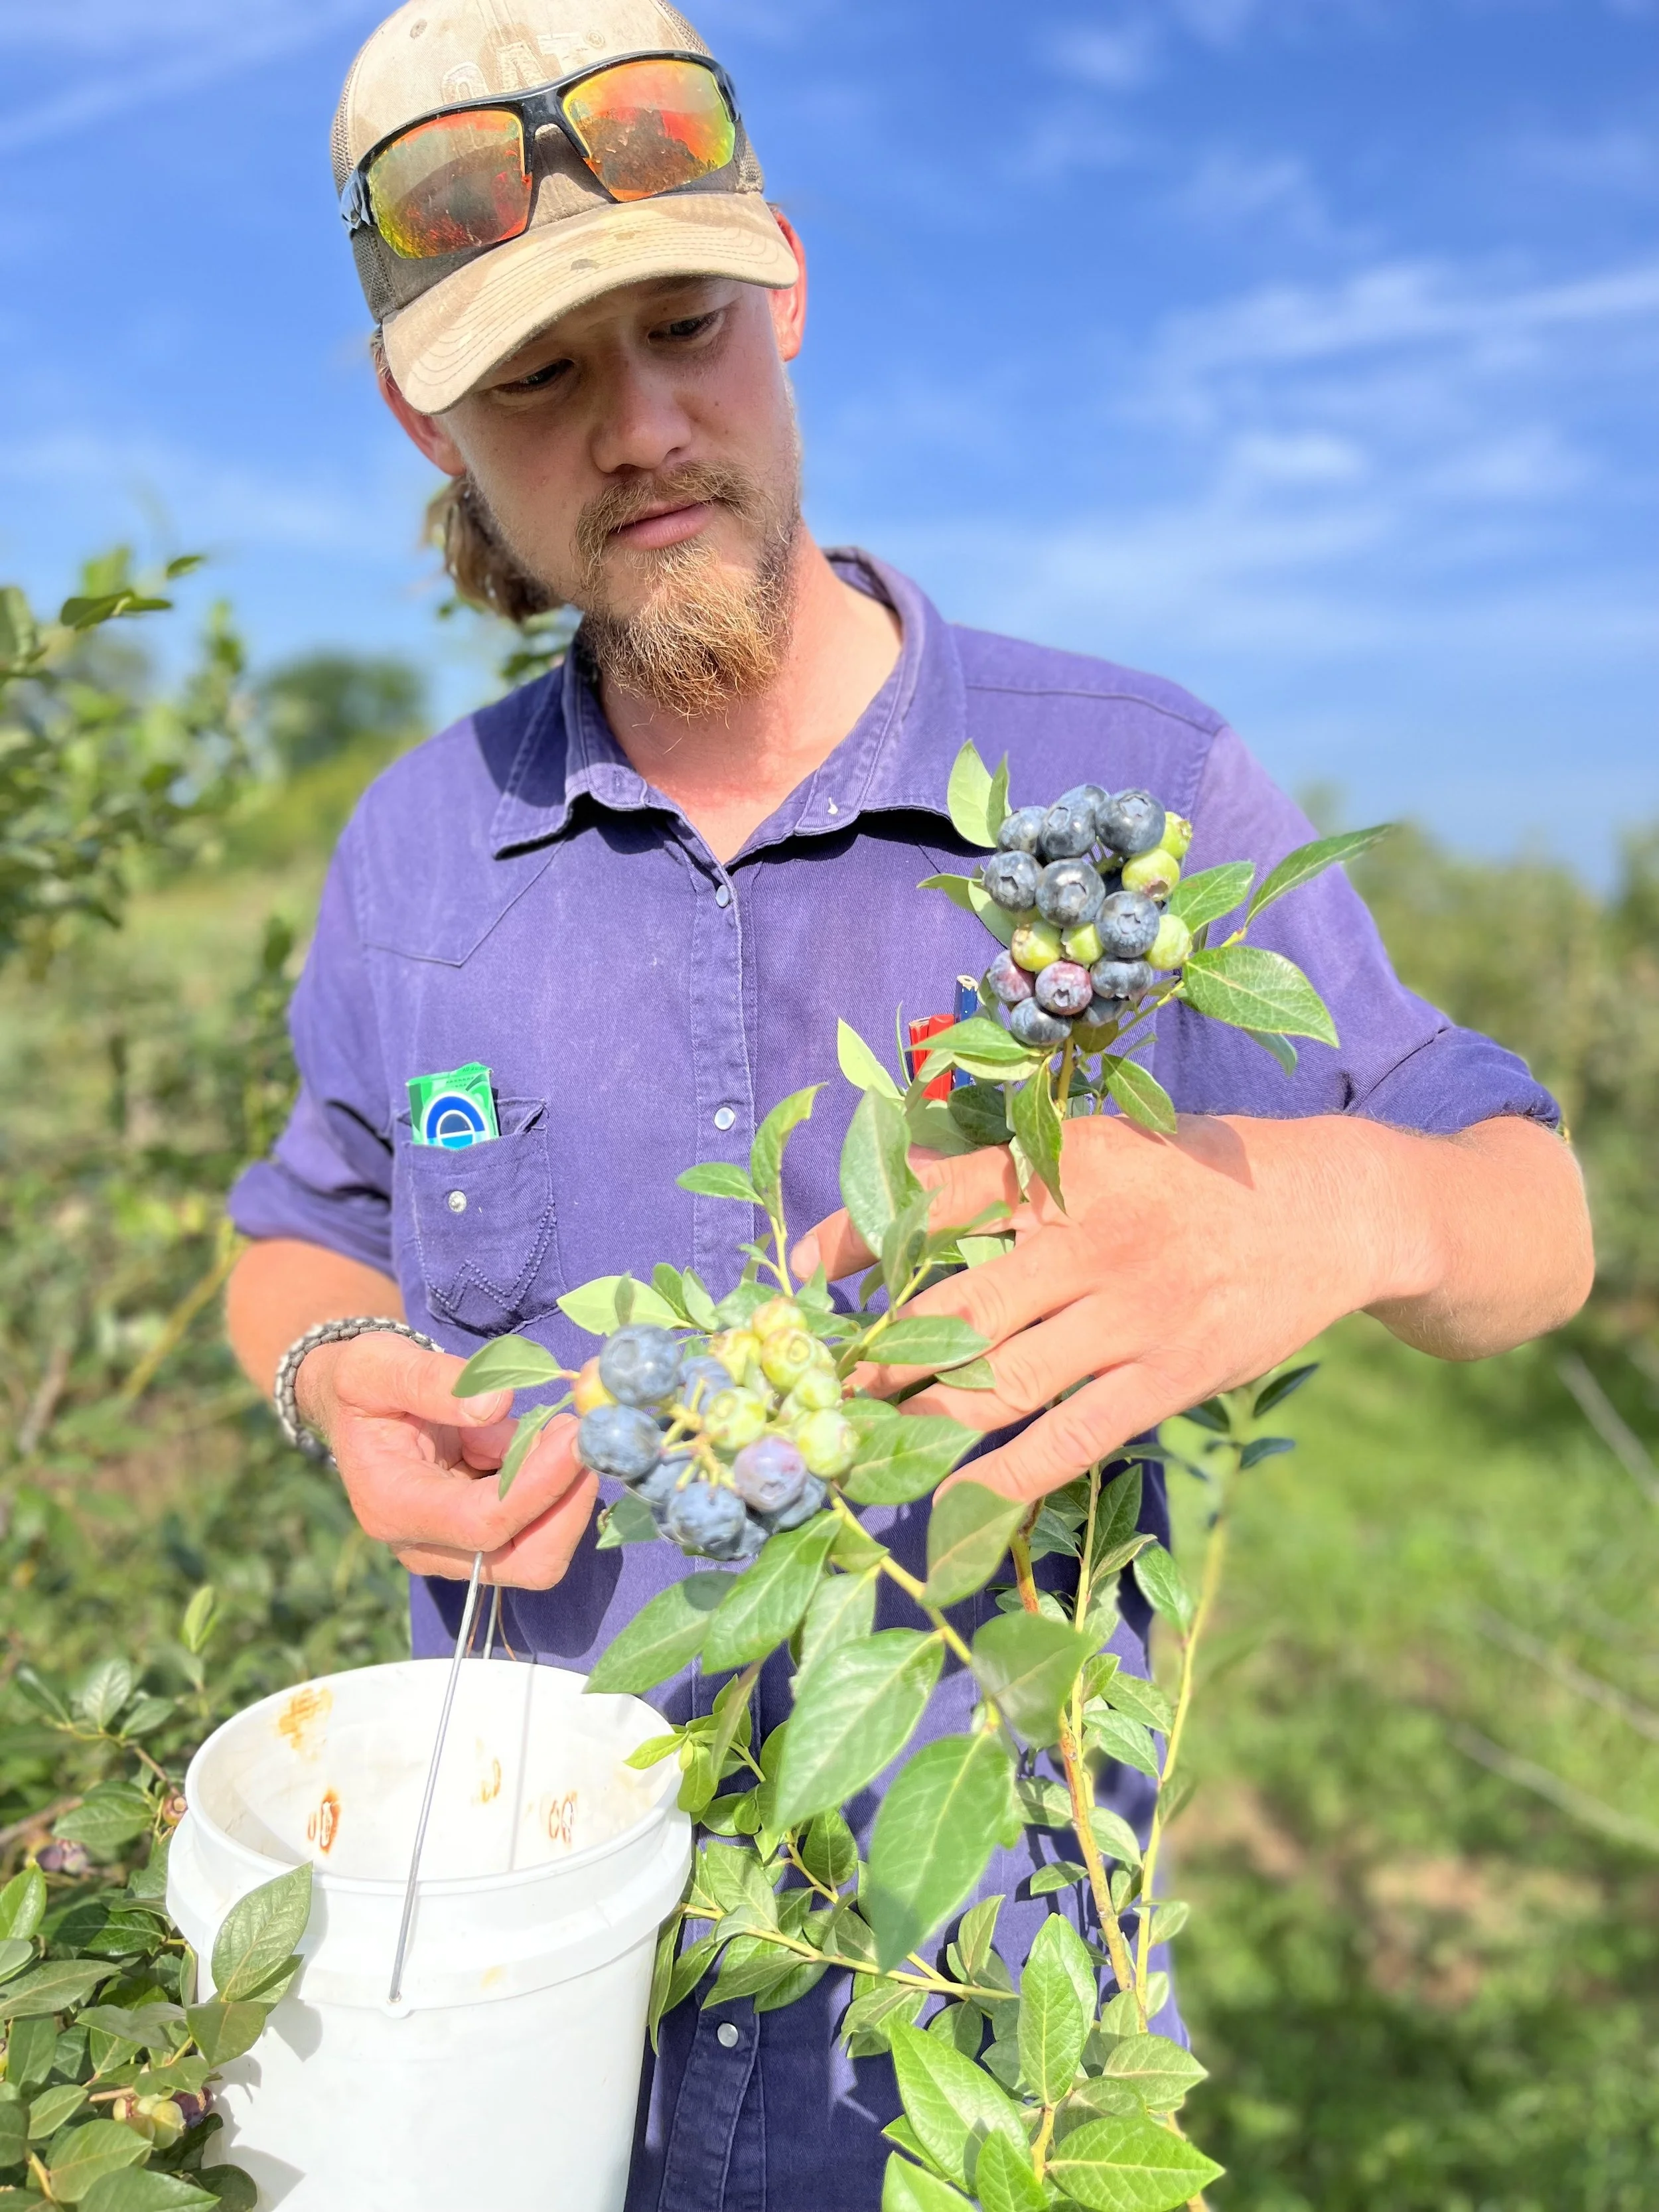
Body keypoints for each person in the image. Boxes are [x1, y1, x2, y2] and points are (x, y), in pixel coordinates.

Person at [226, 1, 1595, 2201]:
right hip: (497, 2007)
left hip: (984, 2043)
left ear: (781, 287)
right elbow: (299, 1220)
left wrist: (1322, 1210)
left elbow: (1532, 1218)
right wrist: (323, 1364)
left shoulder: (1122, 786)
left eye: (683, 325)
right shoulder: (413, 848)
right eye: (539, 381)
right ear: (432, 423)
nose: (644, 427)